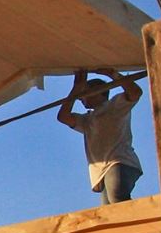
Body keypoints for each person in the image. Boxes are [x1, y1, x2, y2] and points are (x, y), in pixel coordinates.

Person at [57, 67, 143, 204]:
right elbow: (63, 117)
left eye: (84, 93)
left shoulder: (115, 105)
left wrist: (113, 75)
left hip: (119, 162)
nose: (80, 98)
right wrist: (76, 89)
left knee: (117, 199)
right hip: (103, 171)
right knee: (109, 210)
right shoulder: (87, 120)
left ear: (98, 92)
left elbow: (135, 92)